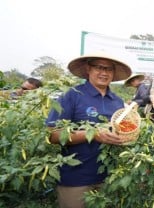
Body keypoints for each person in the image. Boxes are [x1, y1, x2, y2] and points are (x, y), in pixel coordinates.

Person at [46, 54, 132, 208]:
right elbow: (53, 135)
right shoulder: (71, 95)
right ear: (88, 69)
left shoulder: (117, 101)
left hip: (109, 178)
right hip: (76, 178)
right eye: (99, 67)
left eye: (108, 69)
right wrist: (92, 134)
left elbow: (122, 131)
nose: (104, 73)